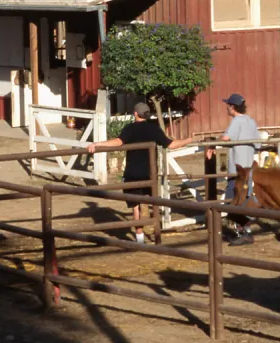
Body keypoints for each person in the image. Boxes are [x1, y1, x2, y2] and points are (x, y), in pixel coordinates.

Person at [87, 102, 194, 244]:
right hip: (149, 173)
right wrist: (189, 140)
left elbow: (118, 142)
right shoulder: (154, 129)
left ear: (135, 113)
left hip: (132, 173)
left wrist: (97, 144)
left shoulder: (130, 128)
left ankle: (139, 238)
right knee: (151, 201)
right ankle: (155, 233)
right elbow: (171, 144)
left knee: (135, 206)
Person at [207, 93, 260, 246]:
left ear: (233, 107)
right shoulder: (251, 121)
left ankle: (241, 232)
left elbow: (226, 138)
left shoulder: (237, 121)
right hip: (249, 167)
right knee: (245, 198)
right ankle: (245, 231)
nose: (226, 108)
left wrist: (212, 144)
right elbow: (258, 144)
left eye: (228, 105)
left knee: (234, 199)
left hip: (237, 168)